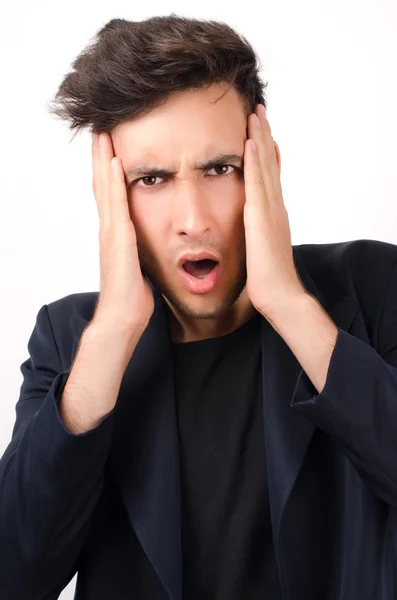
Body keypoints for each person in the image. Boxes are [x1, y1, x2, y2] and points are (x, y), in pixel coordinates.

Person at [1, 14, 397, 600]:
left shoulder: (373, 287)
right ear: (112, 198)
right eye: (151, 179)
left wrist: (289, 303)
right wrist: (113, 330)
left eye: (220, 169)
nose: (194, 219)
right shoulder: (70, 340)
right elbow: (16, 575)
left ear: (265, 167)